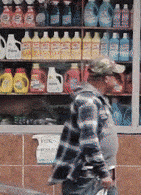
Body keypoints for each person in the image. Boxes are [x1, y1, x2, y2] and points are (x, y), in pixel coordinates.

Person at [49, 55, 124, 195]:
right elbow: (89, 141)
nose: (118, 80)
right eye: (115, 76)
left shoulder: (96, 99)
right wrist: (103, 173)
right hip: (86, 178)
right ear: (106, 78)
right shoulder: (88, 101)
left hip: (96, 176)